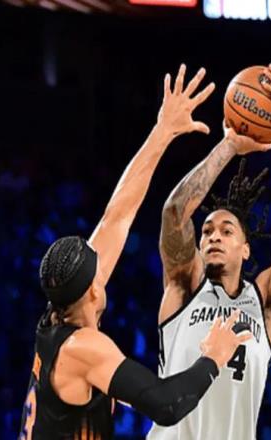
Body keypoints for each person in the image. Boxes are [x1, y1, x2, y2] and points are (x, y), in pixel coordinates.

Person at [18, 64, 251, 440]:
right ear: (93, 290)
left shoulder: (59, 312)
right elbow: (167, 404)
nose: (103, 266)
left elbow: (118, 216)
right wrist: (214, 356)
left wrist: (164, 130)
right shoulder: (83, 348)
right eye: (98, 270)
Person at [147, 63, 271, 440]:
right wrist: (229, 146)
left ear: (245, 249)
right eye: (207, 231)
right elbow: (175, 213)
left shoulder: (266, 303)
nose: (213, 237)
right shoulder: (184, 287)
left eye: (226, 231)